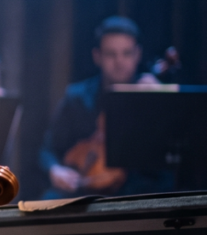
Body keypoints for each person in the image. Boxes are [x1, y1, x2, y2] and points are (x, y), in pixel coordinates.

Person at [39, 16, 170, 199]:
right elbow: (48, 149)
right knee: (49, 201)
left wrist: (160, 102)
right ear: (97, 56)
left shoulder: (151, 93)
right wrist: (55, 170)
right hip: (86, 188)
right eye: (111, 54)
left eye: (126, 53)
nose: (119, 62)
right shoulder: (76, 97)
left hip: (141, 191)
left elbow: (171, 154)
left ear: (137, 54)